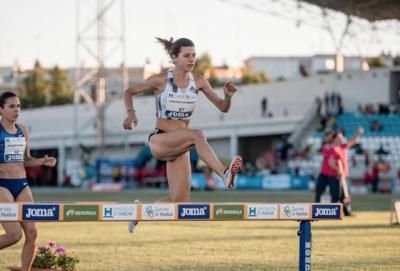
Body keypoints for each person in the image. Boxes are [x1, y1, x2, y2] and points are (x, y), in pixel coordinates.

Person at [123, 37, 243, 232]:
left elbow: (223, 107)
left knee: (179, 203)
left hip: (180, 147)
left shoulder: (199, 81)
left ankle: (140, 212)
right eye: (186, 55)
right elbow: (129, 92)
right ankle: (224, 173)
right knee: (196, 135)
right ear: (174, 58)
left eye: (194, 55)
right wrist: (131, 113)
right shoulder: (160, 80)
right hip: (160, 140)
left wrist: (228, 98)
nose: (191, 59)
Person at [0, 91, 57, 271]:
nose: (16, 110)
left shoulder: (22, 130)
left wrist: (42, 161)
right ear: (1, 109)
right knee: (14, 235)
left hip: (21, 184)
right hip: (2, 185)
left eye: (18, 106)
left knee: (32, 233)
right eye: (11, 106)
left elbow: (26, 159)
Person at [336, 127, 364, 216]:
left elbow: (353, 141)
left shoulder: (342, 147)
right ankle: (343, 211)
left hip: (343, 174)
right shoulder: (335, 148)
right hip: (338, 174)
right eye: (339, 138)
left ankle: (345, 211)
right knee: (342, 194)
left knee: (344, 194)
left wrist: (358, 134)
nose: (342, 139)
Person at [315, 132, 343, 203]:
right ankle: (317, 208)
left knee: (334, 193)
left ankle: (334, 209)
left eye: (330, 136)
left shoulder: (336, 148)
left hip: (333, 174)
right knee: (319, 191)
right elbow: (328, 155)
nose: (329, 138)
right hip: (324, 173)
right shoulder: (326, 147)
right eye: (328, 136)